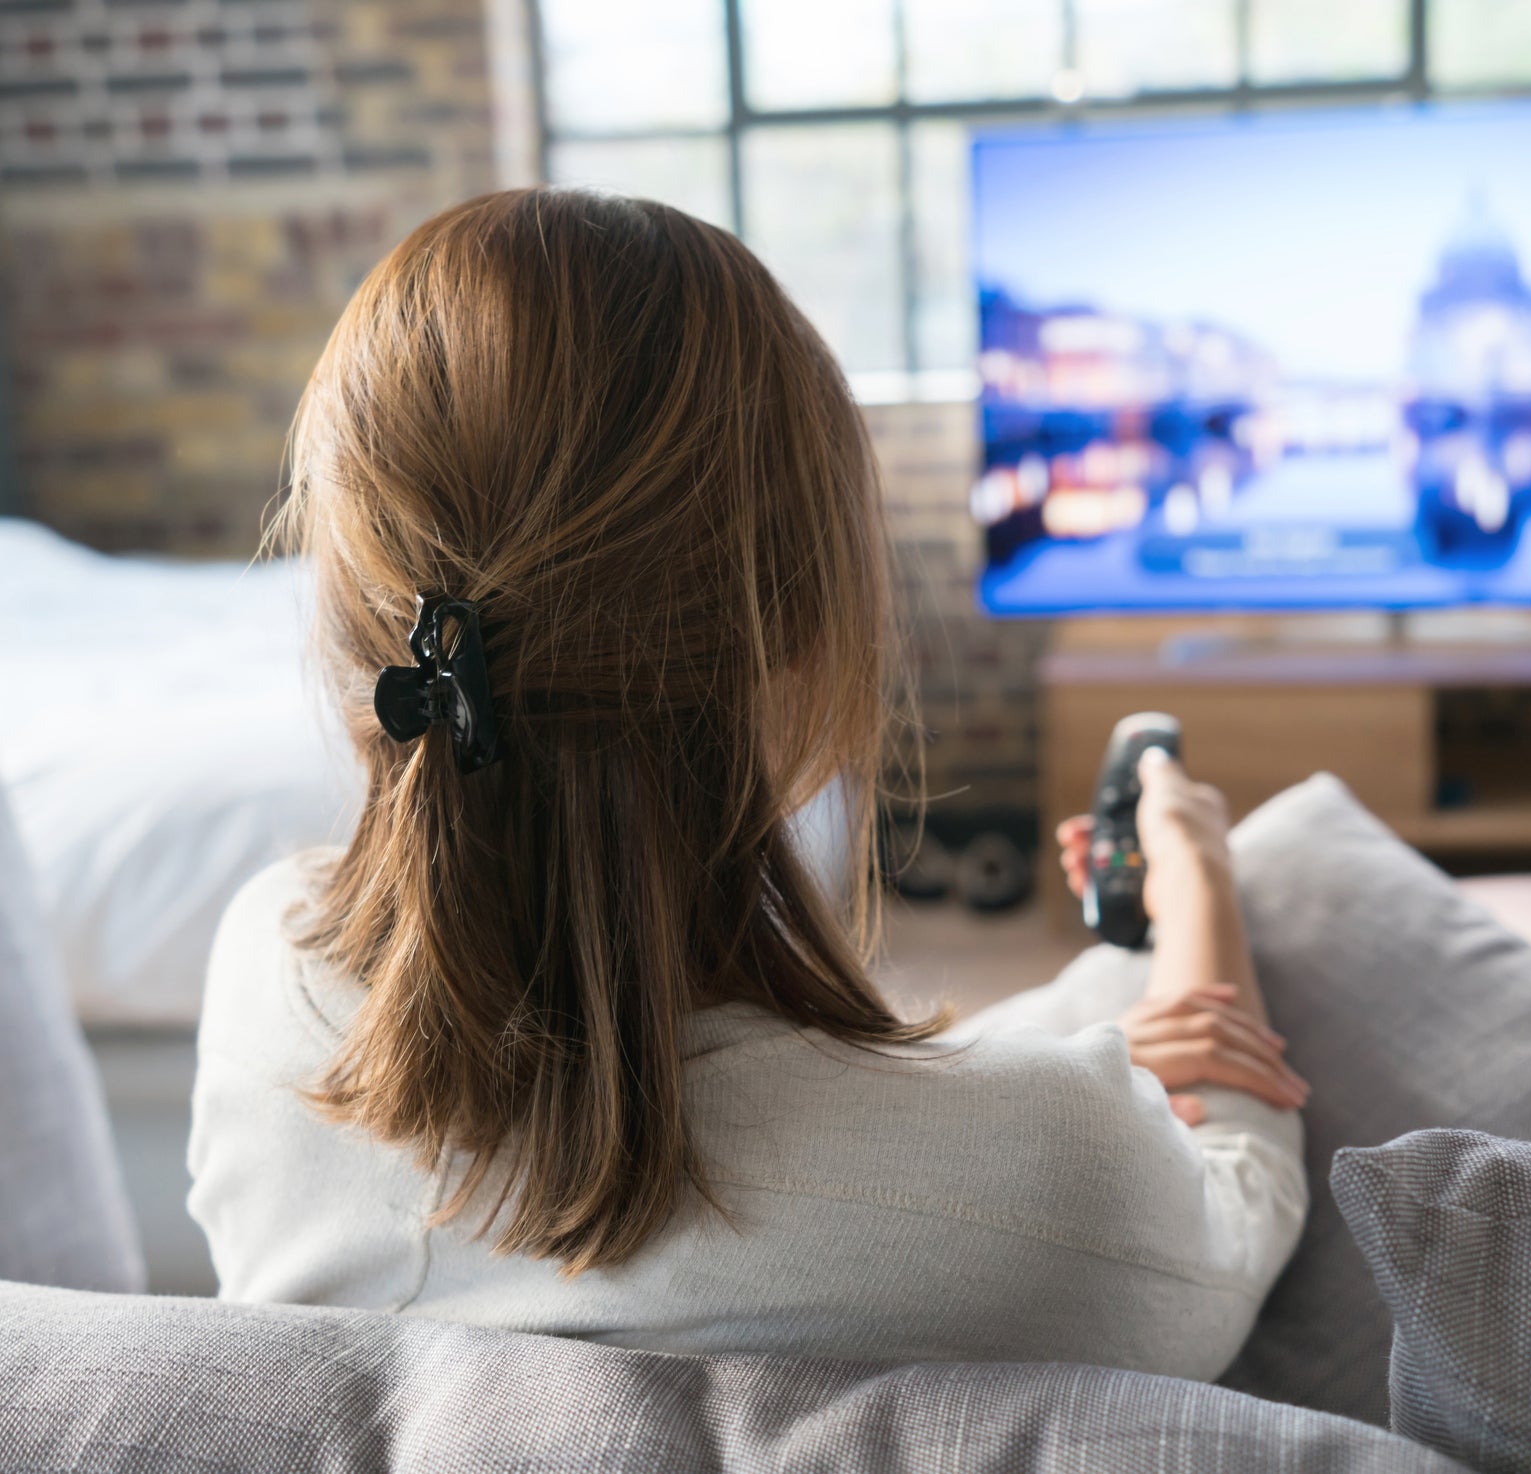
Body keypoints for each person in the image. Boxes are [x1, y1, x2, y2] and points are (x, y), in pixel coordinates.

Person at [187, 188, 1309, 1384]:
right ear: (800, 635)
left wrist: (1036, 1049)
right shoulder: (1049, 1171)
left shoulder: (265, 971)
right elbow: (1228, 1225)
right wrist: (1198, 880)